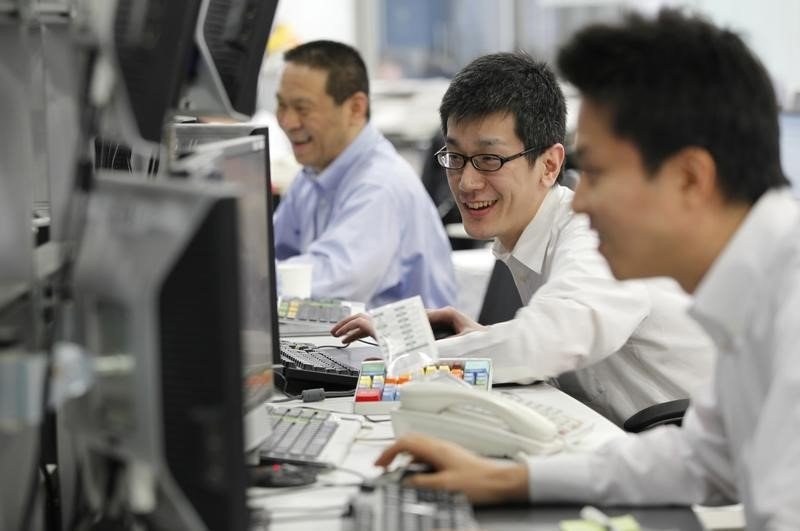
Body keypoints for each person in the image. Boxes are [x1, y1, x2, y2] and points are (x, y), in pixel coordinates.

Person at [374, 9, 800, 529]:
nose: (578, 200)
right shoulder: (754, 294)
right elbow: (703, 458)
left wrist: (408, 364)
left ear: (690, 178)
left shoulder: (787, 311)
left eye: (595, 172)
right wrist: (510, 481)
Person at [333, 51, 714, 425]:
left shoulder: (595, 235)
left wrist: (414, 356)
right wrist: (484, 339)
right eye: (455, 157)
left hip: (683, 457)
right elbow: (556, 342)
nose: (466, 183)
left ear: (549, 165)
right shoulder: (531, 236)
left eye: (489, 160)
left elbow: (552, 340)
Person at [272, 40, 457, 309]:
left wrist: (246, 280)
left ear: (355, 108)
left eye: (303, 108)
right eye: (281, 105)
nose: (287, 122)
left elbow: (328, 284)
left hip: (398, 337)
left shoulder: (379, 185)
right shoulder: (312, 176)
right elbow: (269, 256)